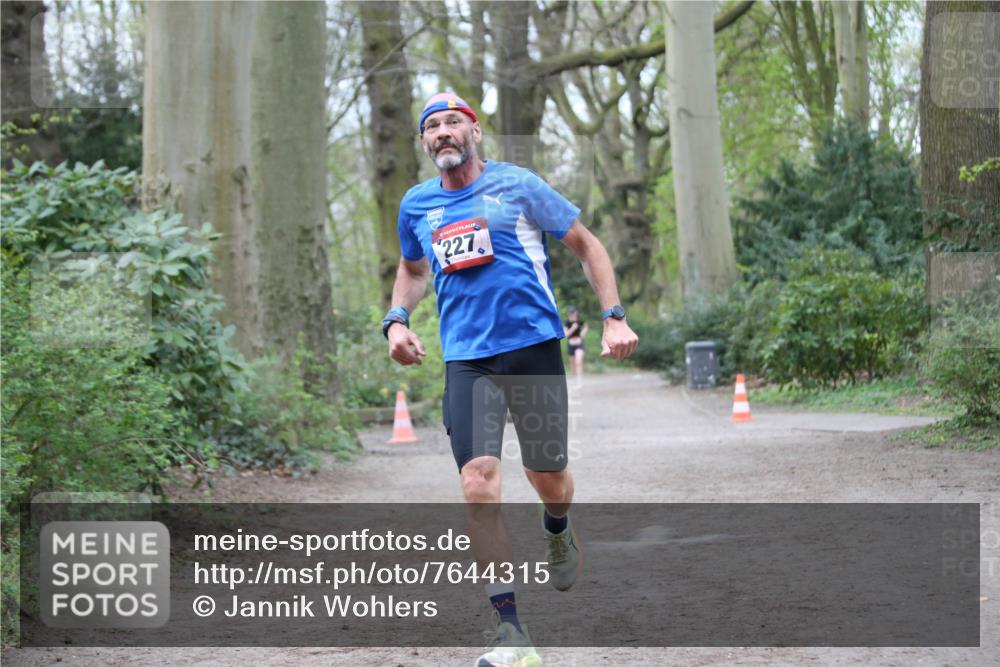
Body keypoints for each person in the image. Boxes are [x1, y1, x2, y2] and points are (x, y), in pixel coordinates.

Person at [382, 92, 638, 667]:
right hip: (468, 362)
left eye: (454, 122)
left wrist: (613, 315)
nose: (443, 132)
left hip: (533, 348)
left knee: (549, 478)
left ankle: (558, 526)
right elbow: (412, 269)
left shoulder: (518, 185)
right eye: (432, 127)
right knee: (478, 484)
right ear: (425, 143)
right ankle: (511, 632)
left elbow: (586, 245)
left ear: (474, 132)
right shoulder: (417, 205)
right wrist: (396, 320)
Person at [563, 306, 588, 387]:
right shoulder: (567, 323)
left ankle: (579, 381)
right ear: (568, 314)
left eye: (573, 312)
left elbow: (586, 326)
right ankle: (575, 379)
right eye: (570, 313)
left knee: (578, 361)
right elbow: (566, 335)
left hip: (579, 344)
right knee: (573, 364)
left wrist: (583, 333)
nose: (572, 314)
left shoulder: (580, 321)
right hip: (571, 345)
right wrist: (573, 328)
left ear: (576, 313)